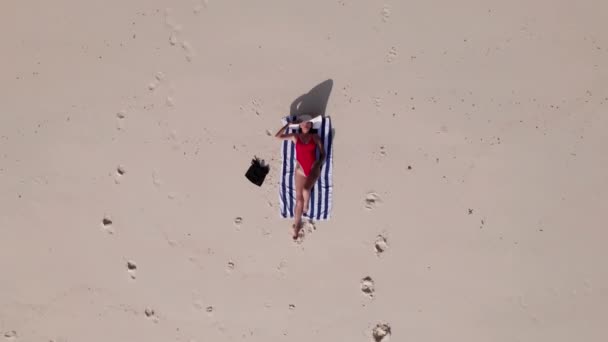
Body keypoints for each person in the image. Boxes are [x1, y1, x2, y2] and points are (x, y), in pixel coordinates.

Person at [275, 115, 325, 240]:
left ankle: (306, 205)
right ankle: (296, 226)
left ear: (312, 125)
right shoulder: (295, 137)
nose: (306, 125)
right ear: (300, 126)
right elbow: (277, 136)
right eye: (303, 123)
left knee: (306, 191)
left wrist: (319, 163)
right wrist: (289, 124)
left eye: (308, 123)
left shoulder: (315, 137)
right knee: (298, 201)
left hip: (313, 168)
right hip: (300, 171)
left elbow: (323, 154)